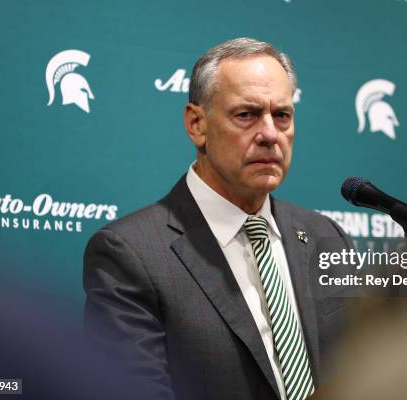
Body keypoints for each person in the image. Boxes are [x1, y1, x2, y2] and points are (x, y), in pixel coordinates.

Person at [83, 38, 353, 400]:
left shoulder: (325, 235)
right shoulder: (132, 254)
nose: (270, 134)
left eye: (282, 115)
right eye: (246, 115)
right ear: (197, 124)